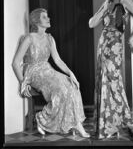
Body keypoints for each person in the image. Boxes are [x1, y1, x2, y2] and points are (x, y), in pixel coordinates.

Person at [89, 0, 133, 142]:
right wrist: (104, 7)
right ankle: (109, 127)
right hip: (103, 46)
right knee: (104, 86)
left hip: (114, 47)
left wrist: (132, 39)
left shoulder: (125, 0)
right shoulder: (108, 0)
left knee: (114, 86)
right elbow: (92, 23)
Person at [12, 8, 90, 138]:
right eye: (44, 17)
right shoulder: (29, 38)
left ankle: (75, 122)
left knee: (71, 84)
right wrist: (22, 82)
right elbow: (15, 63)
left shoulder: (50, 38)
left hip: (47, 70)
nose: (48, 19)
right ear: (36, 21)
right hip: (33, 72)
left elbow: (58, 60)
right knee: (60, 88)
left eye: (47, 16)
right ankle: (42, 118)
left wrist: (72, 74)